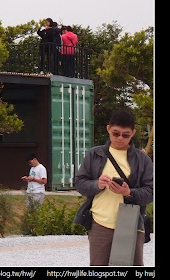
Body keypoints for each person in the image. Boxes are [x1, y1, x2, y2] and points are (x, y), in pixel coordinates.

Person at [73, 110, 153, 266]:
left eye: (126, 135)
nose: (120, 138)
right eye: (116, 133)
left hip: (131, 222)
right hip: (101, 222)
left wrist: (128, 192)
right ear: (108, 129)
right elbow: (80, 183)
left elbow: (150, 192)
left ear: (133, 133)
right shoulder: (94, 154)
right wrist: (97, 184)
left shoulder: (142, 160)